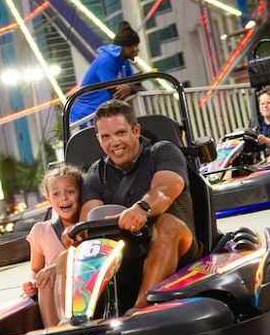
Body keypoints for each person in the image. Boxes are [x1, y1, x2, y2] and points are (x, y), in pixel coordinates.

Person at [64, 99, 200, 309]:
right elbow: (90, 216)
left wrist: (142, 208)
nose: (114, 142)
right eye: (106, 136)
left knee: (166, 225)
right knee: (66, 259)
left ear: (135, 131)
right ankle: (71, 321)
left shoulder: (162, 151)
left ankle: (142, 309)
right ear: (98, 139)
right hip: (124, 256)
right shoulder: (96, 173)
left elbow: (164, 190)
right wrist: (78, 232)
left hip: (179, 248)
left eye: (120, 133)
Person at [22, 164, 84, 328]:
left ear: (80, 193)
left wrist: (55, 269)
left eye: (70, 192)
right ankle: (54, 332)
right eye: (56, 194)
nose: (64, 198)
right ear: (48, 198)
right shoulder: (40, 231)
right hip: (51, 292)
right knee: (44, 278)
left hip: (83, 287)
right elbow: (35, 269)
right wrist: (31, 282)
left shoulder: (87, 226)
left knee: (50, 273)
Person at [69, 21, 141, 125]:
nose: (137, 50)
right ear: (125, 48)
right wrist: (133, 85)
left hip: (102, 114)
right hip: (84, 118)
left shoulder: (124, 61)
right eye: (135, 47)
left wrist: (131, 86)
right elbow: (116, 91)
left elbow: (131, 82)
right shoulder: (106, 61)